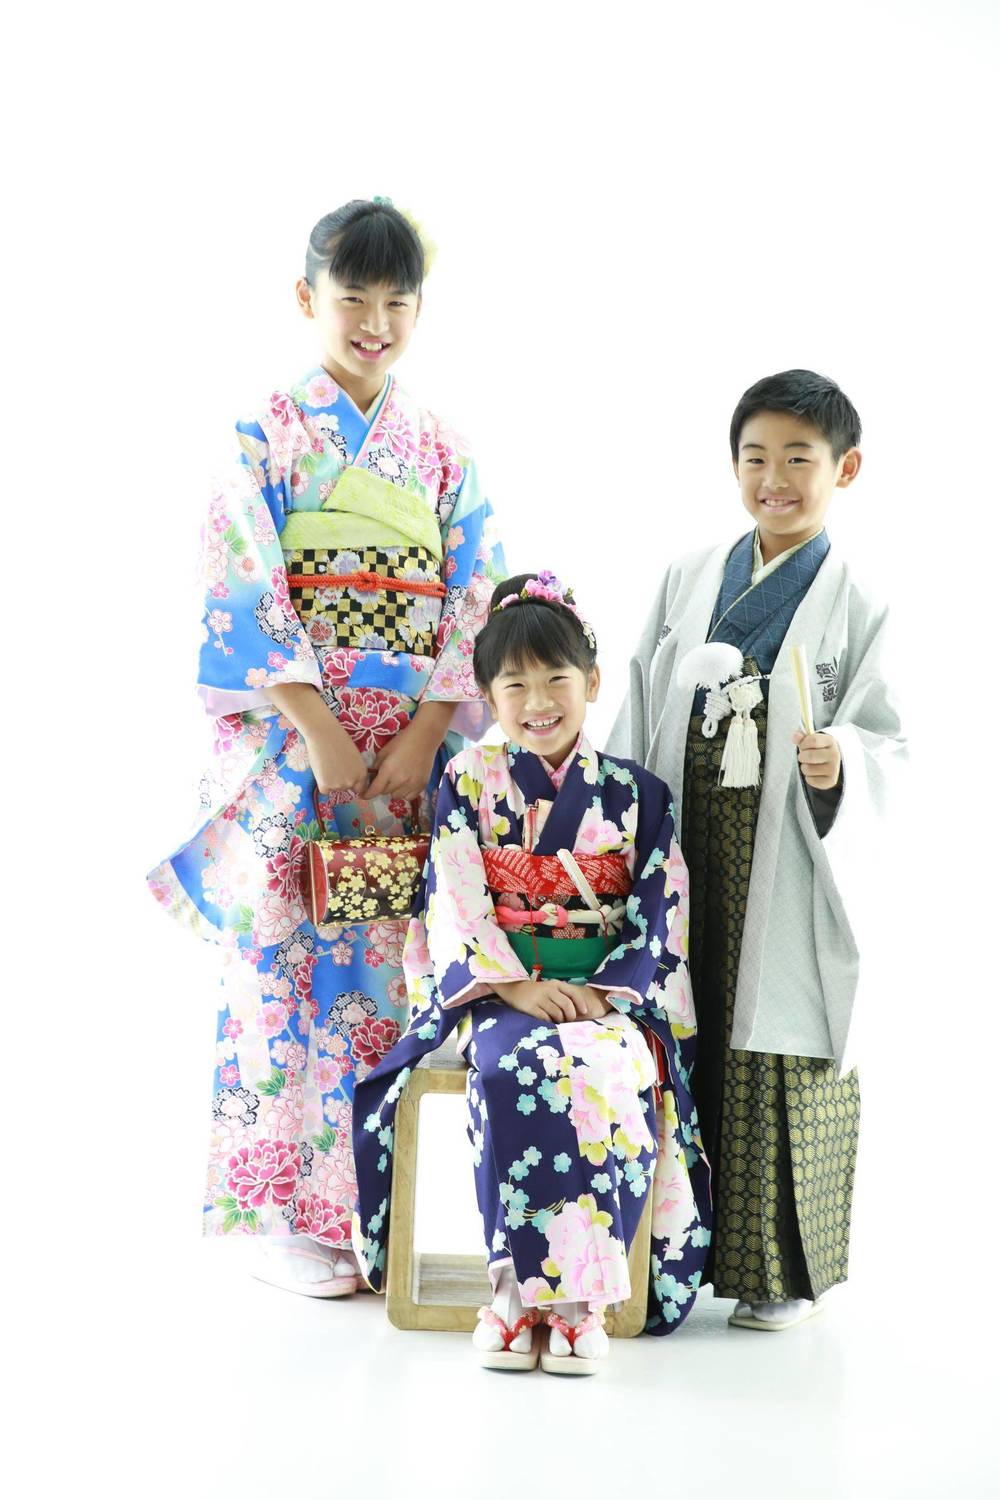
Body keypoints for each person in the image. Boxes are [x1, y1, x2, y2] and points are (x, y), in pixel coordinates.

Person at [147, 198, 505, 1298]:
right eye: (353, 298)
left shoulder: (442, 448)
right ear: (308, 299)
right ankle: (283, 1219)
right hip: (298, 753)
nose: (375, 322)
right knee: (282, 965)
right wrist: (318, 732)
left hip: (404, 763)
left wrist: (426, 735)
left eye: (398, 301)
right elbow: (242, 585)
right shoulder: (262, 437)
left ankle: (367, 1215)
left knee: (388, 977)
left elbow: (476, 596)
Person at [352, 572, 711, 1373]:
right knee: (512, 1068)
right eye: (514, 684)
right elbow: (453, 895)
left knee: (609, 1071)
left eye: (556, 678)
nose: (538, 700)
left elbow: (662, 905)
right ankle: (515, 1291)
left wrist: (606, 992)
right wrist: (512, 985)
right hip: (503, 993)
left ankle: (580, 1304)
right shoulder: (465, 783)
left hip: (604, 996)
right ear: (487, 697)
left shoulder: (638, 795)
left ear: (593, 682)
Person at [611, 370, 906, 1330]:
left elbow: (893, 740)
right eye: (755, 458)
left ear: (845, 469)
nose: (774, 479)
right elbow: (638, 705)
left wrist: (841, 760)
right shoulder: (690, 577)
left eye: (798, 459)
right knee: (675, 1026)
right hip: (687, 833)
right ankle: (660, 1261)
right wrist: (616, 828)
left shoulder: (860, 602)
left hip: (785, 848)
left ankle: (778, 1275)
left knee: (777, 1045)